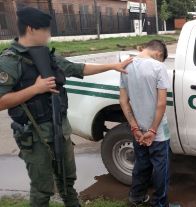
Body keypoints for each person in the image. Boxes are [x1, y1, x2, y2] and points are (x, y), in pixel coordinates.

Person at [0, 7, 132, 207]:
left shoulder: (48, 56)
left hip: (60, 130)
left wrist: (113, 66)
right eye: (46, 30)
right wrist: (35, 89)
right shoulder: (10, 61)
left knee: (67, 182)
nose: (49, 34)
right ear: (31, 29)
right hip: (34, 136)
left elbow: (78, 69)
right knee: (42, 189)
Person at [120, 40, 178, 207]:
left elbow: (124, 101)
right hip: (157, 132)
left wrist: (135, 128)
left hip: (138, 129)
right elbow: (161, 104)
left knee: (141, 164)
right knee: (161, 168)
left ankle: (136, 197)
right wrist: (153, 130)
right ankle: (160, 203)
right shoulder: (158, 67)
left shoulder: (126, 66)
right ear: (159, 54)